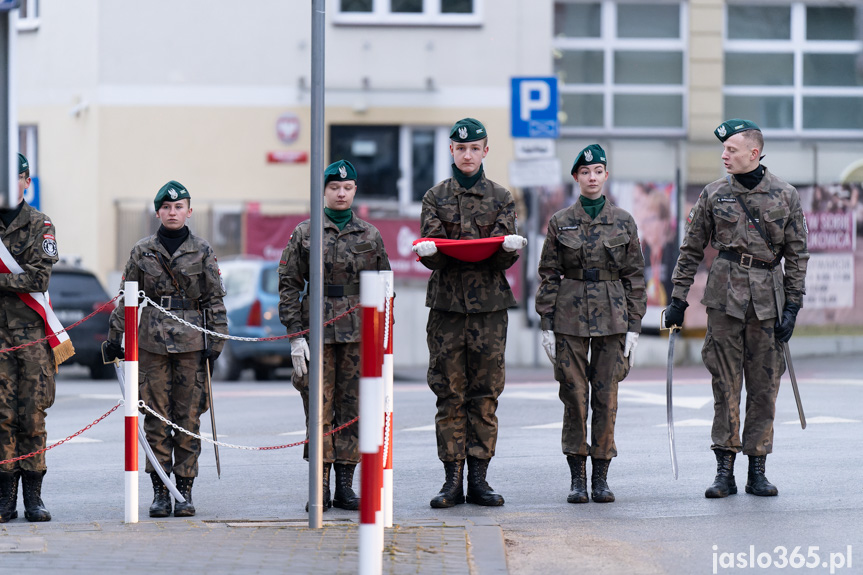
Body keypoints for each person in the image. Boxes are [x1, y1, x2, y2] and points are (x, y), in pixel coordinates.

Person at [664, 119, 809, 498]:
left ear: (753, 152)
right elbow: (691, 247)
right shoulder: (713, 194)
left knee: (764, 387)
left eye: (731, 149)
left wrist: (793, 304)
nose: (724, 155)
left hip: (768, 300)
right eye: (723, 149)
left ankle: (757, 469)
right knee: (724, 384)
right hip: (725, 299)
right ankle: (724, 471)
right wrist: (678, 298)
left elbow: (797, 255)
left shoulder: (785, 195)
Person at [412, 118, 527, 508]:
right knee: (448, 393)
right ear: (451, 150)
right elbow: (434, 255)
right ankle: (451, 481)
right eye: (460, 148)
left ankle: (479, 479)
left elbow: (501, 260)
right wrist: (430, 252)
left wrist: (510, 248)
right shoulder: (434, 196)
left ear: (485, 151)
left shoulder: (501, 197)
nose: (467, 154)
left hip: (489, 310)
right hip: (446, 307)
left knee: (485, 394)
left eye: (474, 148)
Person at [104, 180, 228, 517]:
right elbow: (126, 295)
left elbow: (214, 299)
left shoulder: (202, 250)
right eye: (166, 207)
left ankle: (184, 491)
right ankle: (160, 491)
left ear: (189, 211)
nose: (173, 212)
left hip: (191, 343)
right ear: (157, 211)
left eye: (179, 207)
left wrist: (215, 343)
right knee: (156, 419)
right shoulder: (142, 251)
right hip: (152, 344)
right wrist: (115, 337)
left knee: (188, 418)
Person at [535, 144, 646, 504]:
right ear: (576, 178)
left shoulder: (624, 221)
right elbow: (549, 273)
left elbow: (634, 275)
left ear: (606, 176)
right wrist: (546, 322)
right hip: (569, 315)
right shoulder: (560, 221)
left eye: (598, 171)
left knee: (606, 396)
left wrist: (634, 324)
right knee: (574, 396)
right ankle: (577, 478)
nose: (592, 177)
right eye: (585, 172)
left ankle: (601, 476)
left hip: (613, 316)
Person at [278, 159, 391, 512]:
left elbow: (384, 286)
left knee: (354, 408)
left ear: (355, 190)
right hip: (319, 334)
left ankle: (345, 486)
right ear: (324, 191)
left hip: (358, 334)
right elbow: (288, 286)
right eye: (334, 188)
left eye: (347, 187)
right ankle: (320, 487)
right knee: (319, 408)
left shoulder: (370, 235)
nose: (341, 193)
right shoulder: (305, 233)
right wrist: (296, 336)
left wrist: (383, 340)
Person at [0, 153, 70, 523]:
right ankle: (5, 499)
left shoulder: (41, 224)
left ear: (26, 182)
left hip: (31, 339)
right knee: (1, 418)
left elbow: (38, 279)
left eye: (15, 179)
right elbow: (23, 277)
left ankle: (34, 498)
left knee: (32, 417)